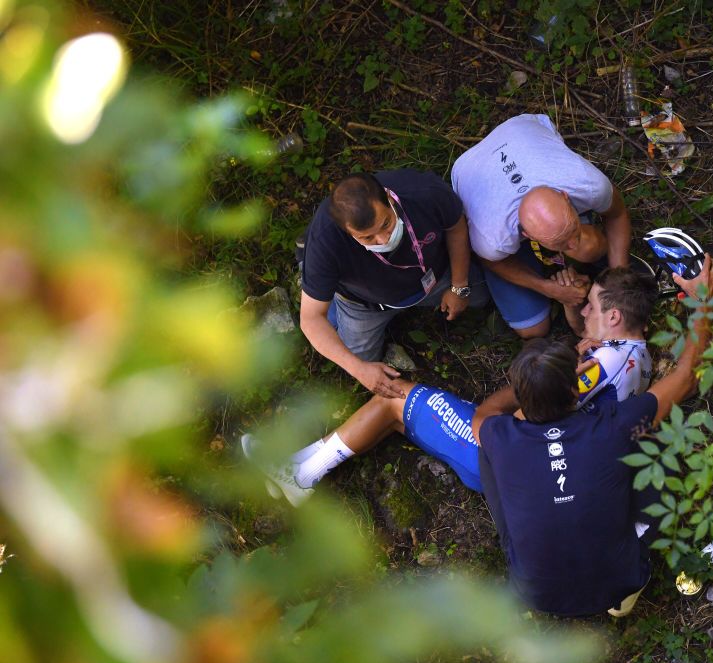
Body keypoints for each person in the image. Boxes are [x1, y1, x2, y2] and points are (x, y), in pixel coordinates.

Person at [241, 267, 659, 507]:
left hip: (510, 462)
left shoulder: (600, 365)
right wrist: (574, 312)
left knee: (398, 397)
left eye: (593, 302)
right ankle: (299, 465)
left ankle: (300, 475)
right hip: (550, 472)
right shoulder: (636, 356)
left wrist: (501, 407)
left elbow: (530, 415)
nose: (585, 305)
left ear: (616, 316)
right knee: (407, 419)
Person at [470, 255, 713, 618]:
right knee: (653, 442)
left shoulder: (501, 436)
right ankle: (627, 587)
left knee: (486, 454)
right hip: (620, 579)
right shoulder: (614, 425)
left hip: (537, 593)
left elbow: (482, 415)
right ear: (577, 389)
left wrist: (532, 385)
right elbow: (685, 377)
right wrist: (702, 302)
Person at [299, 170, 488, 398]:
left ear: (389, 197)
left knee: (479, 295)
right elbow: (310, 319)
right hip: (365, 305)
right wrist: (359, 369)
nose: (383, 239)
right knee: (357, 358)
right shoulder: (326, 241)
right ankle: (316, 284)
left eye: (386, 223)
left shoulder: (423, 191)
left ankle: (317, 285)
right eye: (367, 238)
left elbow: (455, 226)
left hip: (434, 276)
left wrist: (459, 285)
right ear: (347, 232)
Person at [451, 114, 634, 339]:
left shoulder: (588, 183)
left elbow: (616, 215)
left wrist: (619, 281)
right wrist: (548, 288)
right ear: (526, 235)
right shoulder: (493, 239)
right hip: (468, 167)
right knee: (533, 329)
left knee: (588, 247)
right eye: (561, 242)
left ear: (565, 197)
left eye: (572, 230)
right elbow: (492, 261)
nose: (572, 244)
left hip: (521, 128)